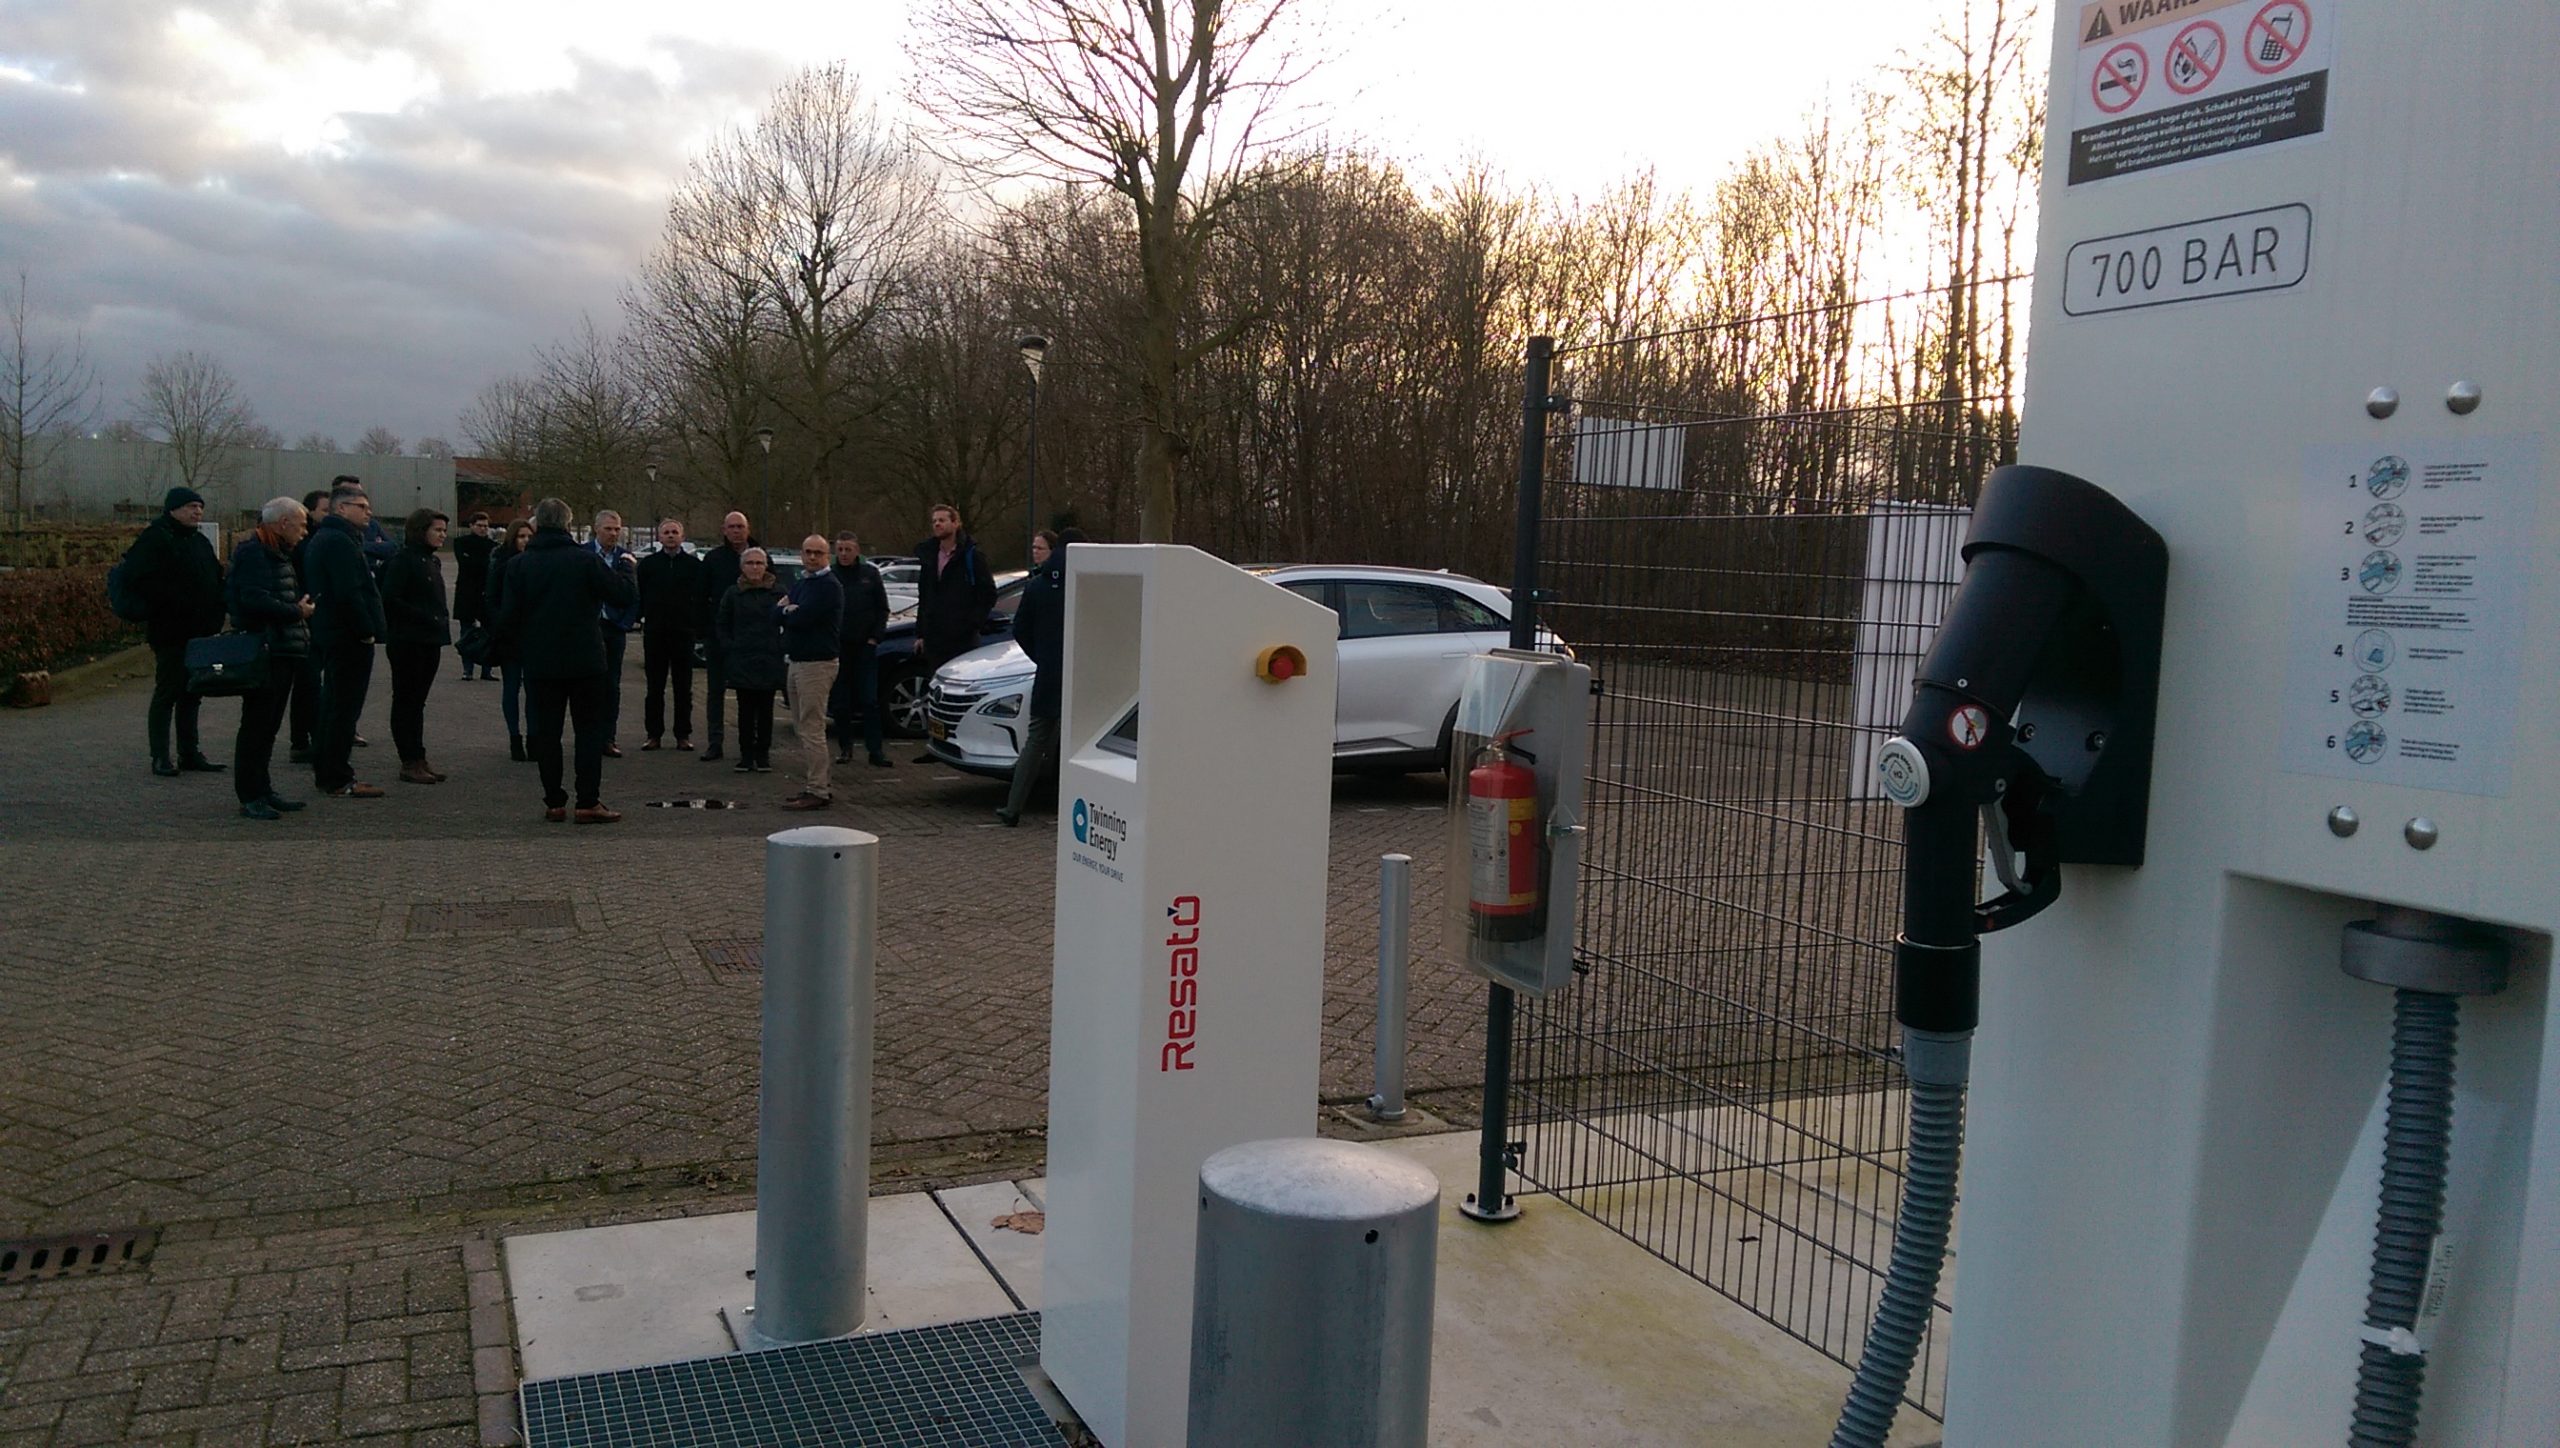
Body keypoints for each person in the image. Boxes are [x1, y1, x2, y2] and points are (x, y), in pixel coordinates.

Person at [497, 497, 637, 823]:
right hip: (585, 659)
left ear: (536, 525)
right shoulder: (584, 561)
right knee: (588, 731)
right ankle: (588, 801)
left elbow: (507, 617)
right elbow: (622, 595)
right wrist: (628, 567)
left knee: (547, 732)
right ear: (568, 523)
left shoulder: (519, 565)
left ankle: (554, 800)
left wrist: (518, 649)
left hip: (540, 661)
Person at [128, 485, 228, 776]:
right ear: (173, 509)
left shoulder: (199, 541)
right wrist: (174, 601)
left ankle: (189, 752)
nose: (197, 511)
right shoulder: (155, 538)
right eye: (190, 507)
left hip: (199, 631)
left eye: (200, 507)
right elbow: (141, 579)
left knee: (192, 691)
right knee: (168, 692)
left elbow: (214, 576)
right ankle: (160, 755)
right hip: (170, 630)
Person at [225, 497, 315, 820]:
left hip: (283, 650)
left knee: (269, 726)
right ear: (283, 524)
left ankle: (263, 789)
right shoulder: (255, 553)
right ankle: (250, 794)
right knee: (256, 725)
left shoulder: (278, 553)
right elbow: (253, 601)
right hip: (265, 651)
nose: (305, 532)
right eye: (301, 525)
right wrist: (296, 612)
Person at [303, 483, 386, 799]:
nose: (368, 512)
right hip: (347, 636)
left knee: (333, 703)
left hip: (333, 632)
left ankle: (327, 769)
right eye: (361, 506)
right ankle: (337, 775)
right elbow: (349, 591)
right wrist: (366, 629)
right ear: (341, 508)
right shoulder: (339, 541)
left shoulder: (331, 538)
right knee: (343, 707)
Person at [997, 529, 1077, 827]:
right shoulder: (1087, 583)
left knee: (1037, 739)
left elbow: (1020, 629)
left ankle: (1013, 806)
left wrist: (1042, 657)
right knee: (1080, 742)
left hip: (1048, 674)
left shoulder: (1037, 586)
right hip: (1081, 676)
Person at [910, 503, 995, 763]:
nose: (937, 525)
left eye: (942, 520)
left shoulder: (971, 556)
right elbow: (925, 596)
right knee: (936, 692)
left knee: (960, 694)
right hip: (936, 636)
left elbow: (988, 593)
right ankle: (936, 742)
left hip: (961, 637)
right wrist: (920, 632)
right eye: (934, 521)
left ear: (955, 523)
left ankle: (960, 742)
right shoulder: (928, 555)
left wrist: (972, 622)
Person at [379, 507, 453, 785]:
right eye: (437, 530)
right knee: (406, 700)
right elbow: (391, 599)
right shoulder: (402, 560)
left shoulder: (431, 562)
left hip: (429, 639)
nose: (442, 536)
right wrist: (427, 617)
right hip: (408, 640)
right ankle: (409, 760)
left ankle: (419, 756)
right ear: (421, 530)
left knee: (417, 702)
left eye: (445, 531)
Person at [778, 535, 843, 811]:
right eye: (808, 552)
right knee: (802, 727)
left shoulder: (828, 586)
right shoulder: (803, 582)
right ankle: (817, 783)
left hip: (817, 664)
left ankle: (818, 789)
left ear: (827, 555)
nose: (812, 557)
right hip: (796, 661)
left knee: (812, 727)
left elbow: (802, 618)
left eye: (818, 552)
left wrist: (789, 612)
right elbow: (777, 613)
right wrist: (787, 611)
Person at [713, 546, 787, 776]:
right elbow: (722, 624)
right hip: (742, 658)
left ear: (766, 566)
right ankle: (746, 755)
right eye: (750, 563)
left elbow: (789, 622)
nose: (755, 568)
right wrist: (730, 647)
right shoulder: (733, 594)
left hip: (769, 658)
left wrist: (780, 647)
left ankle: (763, 755)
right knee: (745, 711)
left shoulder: (779, 593)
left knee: (765, 710)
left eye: (759, 563)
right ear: (742, 567)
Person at [825, 530, 892, 768]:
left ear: (857, 551)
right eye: (840, 549)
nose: (844, 554)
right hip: (839, 648)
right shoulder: (830, 576)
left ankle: (876, 751)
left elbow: (882, 609)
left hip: (865, 647)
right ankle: (845, 748)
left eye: (848, 550)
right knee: (841, 702)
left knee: (869, 701)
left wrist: (875, 637)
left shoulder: (870, 575)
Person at [692, 511, 755, 762]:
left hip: (750, 638)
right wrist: (705, 630)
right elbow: (699, 596)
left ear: (748, 529)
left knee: (750, 693)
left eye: (741, 526)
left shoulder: (759, 557)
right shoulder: (713, 559)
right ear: (724, 530)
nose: (737, 531)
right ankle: (715, 742)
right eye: (732, 526)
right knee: (715, 692)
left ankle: (749, 745)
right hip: (718, 636)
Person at [636, 517, 700, 751]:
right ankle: (654, 734)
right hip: (655, 632)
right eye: (666, 532)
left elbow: (699, 598)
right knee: (655, 687)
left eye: (675, 532)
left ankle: (683, 734)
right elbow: (640, 595)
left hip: (683, 632)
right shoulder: (648, 566)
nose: (671, 536)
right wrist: (643, 617)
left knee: (683, 687)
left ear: (682, 536)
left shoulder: (694, 566)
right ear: (659, 537)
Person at [587, 509, 639, 758]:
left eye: (617, 529)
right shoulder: (583, 555)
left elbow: (633, 595)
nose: (613, 533)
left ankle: (608, 737)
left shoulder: (625, 559)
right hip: (589, 628)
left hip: (614, 628)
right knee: (588, 683)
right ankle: (589, 735)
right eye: (608, 529)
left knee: (612, 685)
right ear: (596, 529)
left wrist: (624, 623)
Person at [286, 489, 330, 762]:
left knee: (312, 682)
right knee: (307, 682)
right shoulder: (305, 544)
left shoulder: (320, 540)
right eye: (324, 510)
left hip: (317, 617)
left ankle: (308, 737)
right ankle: (303, 740)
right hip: (306, 618)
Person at [484, 520, 533, 761]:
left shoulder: (535, 563)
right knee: (512, 687)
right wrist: (501, 623)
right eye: (521, 536)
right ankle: (515, 737)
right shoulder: (502, 564)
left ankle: (534, 737)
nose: (525, 541)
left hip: (533, 636)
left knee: (534, 690)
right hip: (510, 635)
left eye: (529, 536)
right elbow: (491, 599)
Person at [450, 511, 498, 680]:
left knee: (489, 632)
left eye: (486, 526)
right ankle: (467, 670)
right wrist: (483, 563)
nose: (483, 529)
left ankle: (486, 670)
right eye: (479, 525)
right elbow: (468, 564)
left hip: (486, 594)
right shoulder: (461, 542)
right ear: (471, 526)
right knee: (467, 633)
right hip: (467, 594)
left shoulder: (493, 546)